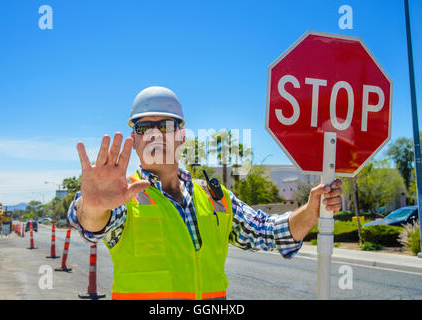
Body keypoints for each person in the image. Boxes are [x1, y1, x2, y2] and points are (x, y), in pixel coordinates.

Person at [67, 86, 343, 300]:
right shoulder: (124, 197)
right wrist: (91, 208)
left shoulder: (214, 197)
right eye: (143, 128)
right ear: (135, 139)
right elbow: (94, 223)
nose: (154, 135)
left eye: (165, 126)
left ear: (181, 136)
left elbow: (267, 233)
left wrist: (311, 211)